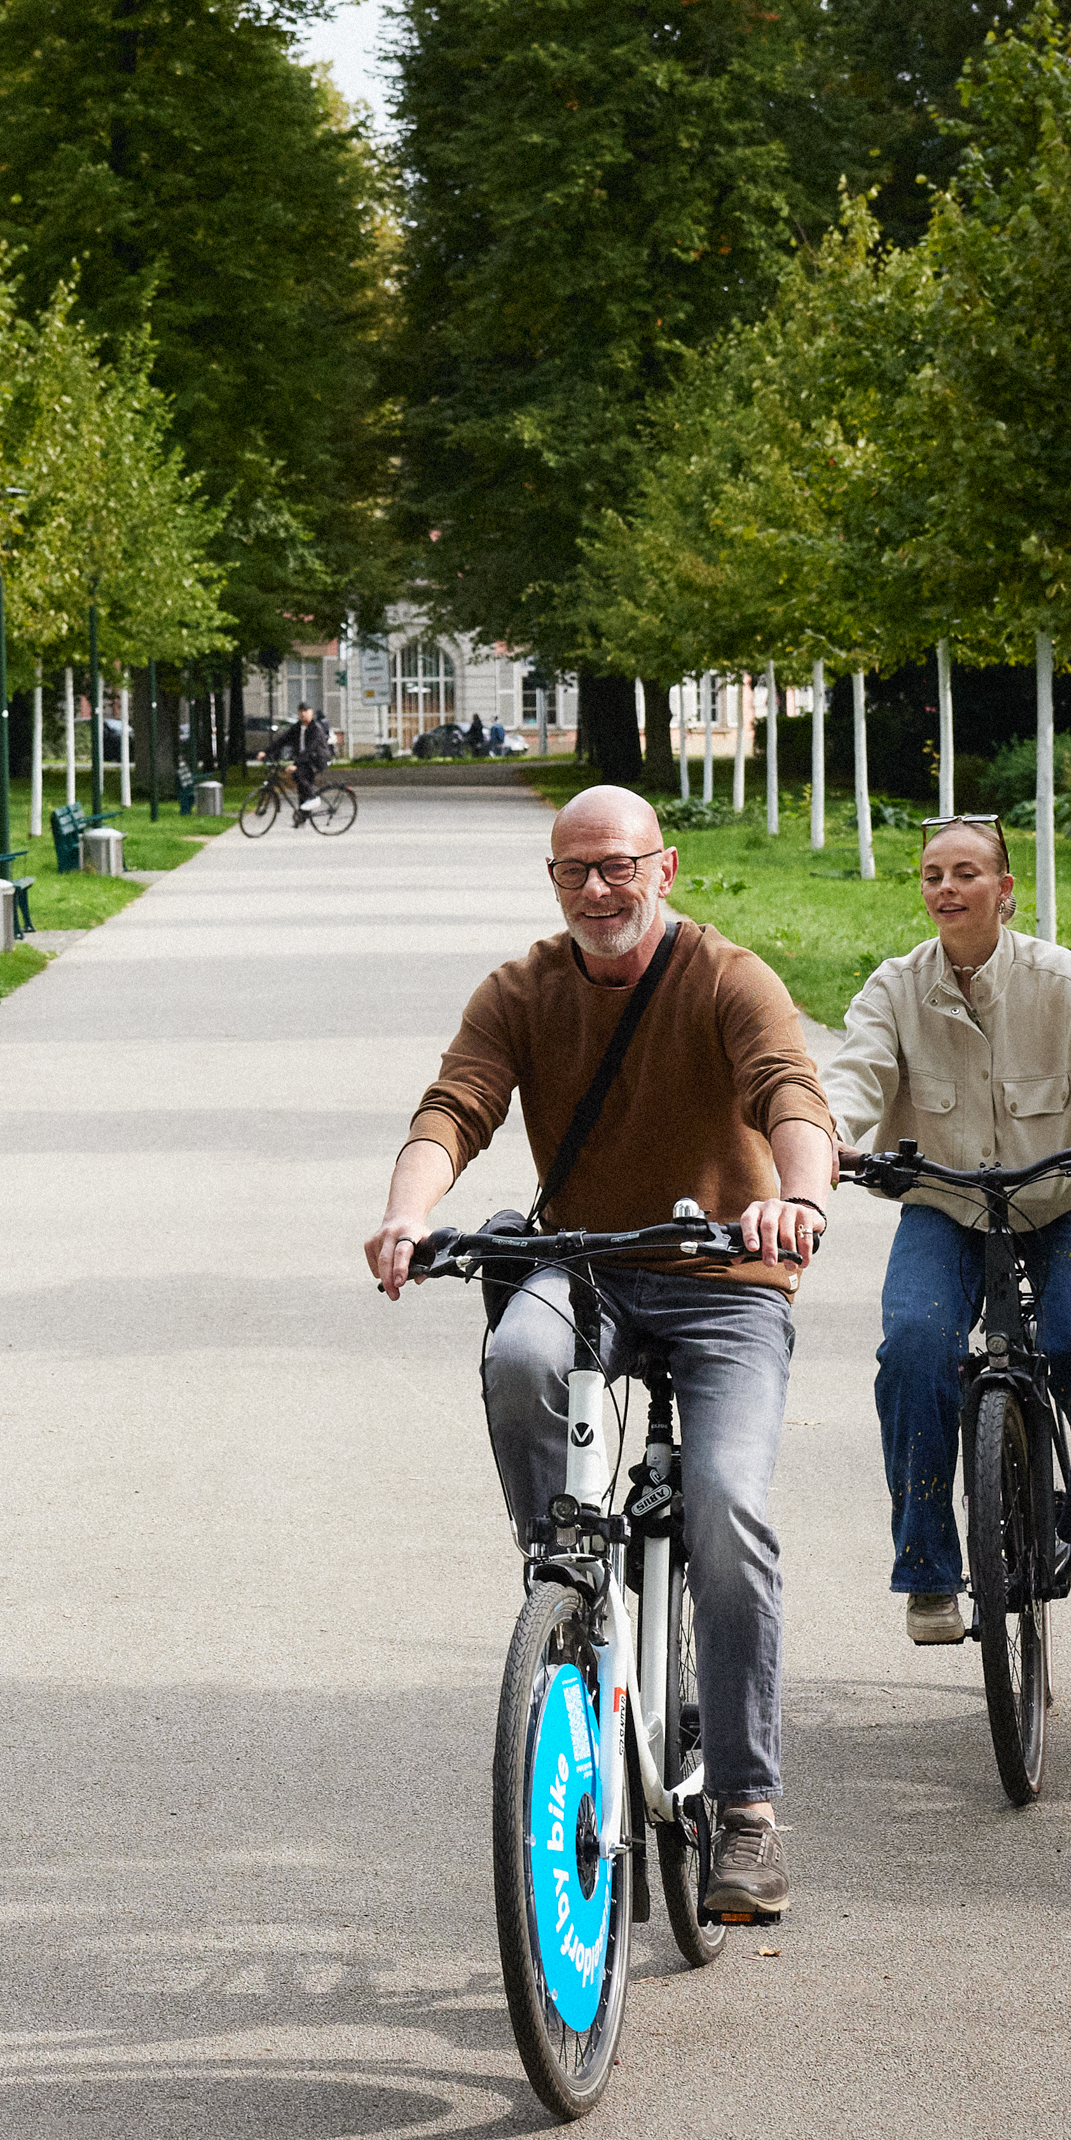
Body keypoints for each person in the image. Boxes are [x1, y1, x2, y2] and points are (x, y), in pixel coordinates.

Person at [363, 785, 835, 1921]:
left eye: (616, 865)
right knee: (518, 1354)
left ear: (662, 868)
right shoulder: (521, 988)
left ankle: (746, 1811)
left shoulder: (727, 976)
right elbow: (453, 1108)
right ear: (551, 878)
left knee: (722, 1508)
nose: (596, 888)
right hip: (587, 1262)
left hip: (724, 1277)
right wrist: (403, 1214)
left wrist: (799, 1201)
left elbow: (790, 1095)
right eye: (574, 868)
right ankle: (563, 1582)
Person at [820, 816, 1071, 1645]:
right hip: (946, 1203)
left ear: (1005, 891)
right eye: (930, 875)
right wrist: (831, 1130)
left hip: (1057, 1199)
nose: (944, 889)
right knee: (913, 1348)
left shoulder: (1062, 977)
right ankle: (927, 1571)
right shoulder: (895, 986)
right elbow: (857, 1071)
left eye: (964, 873)